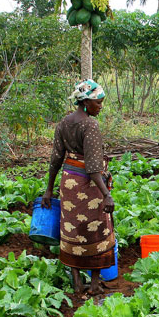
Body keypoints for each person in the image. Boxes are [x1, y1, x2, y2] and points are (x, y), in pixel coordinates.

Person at [42, 79, 115, 296]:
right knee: (95, 230)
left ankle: (76, 282)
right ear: (85, 102)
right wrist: (106, 194)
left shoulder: (64, 123)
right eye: (98, 102)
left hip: (69, 183)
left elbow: (56, 159)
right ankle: (93, 285)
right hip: (88, 184)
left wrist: (49, 189)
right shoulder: (90, 125)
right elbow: (93, 167)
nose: (100, 106)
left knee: (72, 229)